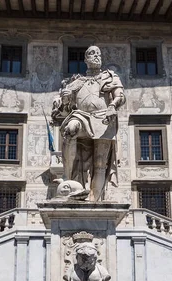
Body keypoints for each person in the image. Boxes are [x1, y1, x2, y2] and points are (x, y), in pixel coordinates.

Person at [52, 46, 126, 201]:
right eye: (92, 54)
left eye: (98, 53)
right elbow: (64, 110)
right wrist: (65, 99)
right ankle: (67, 176)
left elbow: (120, 96)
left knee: (100, 164)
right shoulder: (77, 82)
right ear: (85, 59)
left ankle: (93, 201)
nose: (96, 56)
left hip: (103, 120)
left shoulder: (110, 77)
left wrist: (112, 106)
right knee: (70, 128)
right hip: (82, 116)